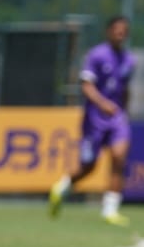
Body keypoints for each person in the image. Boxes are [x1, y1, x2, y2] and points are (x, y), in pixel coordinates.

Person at [49, 15, 135, 225]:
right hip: (95, 119)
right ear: (109, 32)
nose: (120, 34)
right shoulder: (96, 55)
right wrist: (102, 104)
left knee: (119, 158)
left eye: (124, 31)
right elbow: (86, 86)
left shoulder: (129, 60)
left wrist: (124, 111)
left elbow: (125, 88)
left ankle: (110, 210)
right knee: (89, 166)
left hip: (117, 117)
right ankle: (63, 187)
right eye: (117, 30)